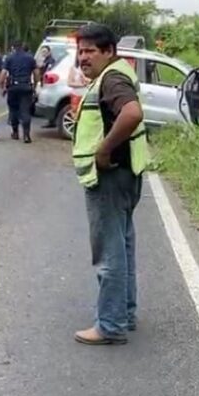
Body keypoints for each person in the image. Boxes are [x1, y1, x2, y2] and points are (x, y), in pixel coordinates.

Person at [70, 23, 149, 345]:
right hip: (126, 174)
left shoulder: (112, 78)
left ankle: (110, 324)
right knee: (124, 245)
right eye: (81, 51)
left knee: (109, 252)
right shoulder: (114, 74)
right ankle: (124, 314)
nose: (83, 57)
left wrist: (103, 150)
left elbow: (131, 113)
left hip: (109, 177)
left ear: (109, 52)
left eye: (90, 51)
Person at [0, 41, 39, 143]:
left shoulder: (9, 58)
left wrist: (2, 87)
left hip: (13, 87)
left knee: (13, 110)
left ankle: (15, 133)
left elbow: (3, 73)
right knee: (25, 111)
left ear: (13, 47)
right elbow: (36, 73)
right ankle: (26, 135)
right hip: (26, 86)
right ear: (22, 47)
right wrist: (35, 86)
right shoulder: (30, 58)